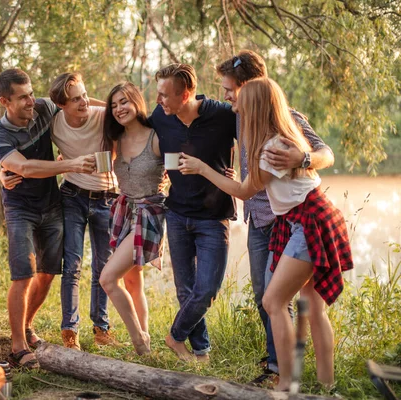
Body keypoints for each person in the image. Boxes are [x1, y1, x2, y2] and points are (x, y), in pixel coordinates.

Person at [179, 77, 353, 391]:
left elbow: (244, 191)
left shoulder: (272, 147)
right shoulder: (279, 137)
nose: (233, 103)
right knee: (312, 307)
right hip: (310, 215)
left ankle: (286, 384)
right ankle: (328, 387)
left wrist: (204, 169)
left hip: (308, 220)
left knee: (273, 300)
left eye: (239, 99)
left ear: (255, 106)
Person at [215, 50, 335, 384]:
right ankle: (291, 371)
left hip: (294, 220)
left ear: (251, 89)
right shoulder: (239, 117)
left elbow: (327, 154)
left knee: (278, 299)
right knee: (268, 298)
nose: (226, 98)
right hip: (269, 220)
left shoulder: (284, 121)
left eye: (230, 90)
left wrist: (303, 157)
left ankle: (286, 375)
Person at [1, 73, 121, 351]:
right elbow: (18, 161)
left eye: (84, 96)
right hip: (72, 196)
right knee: (72, 266)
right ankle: (70, 330)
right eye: (75, 99)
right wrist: (2, 173)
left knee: (104, 267)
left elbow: (127, 120)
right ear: (61, 105)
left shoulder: (102, 116)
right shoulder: (52, 120)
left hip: (106, 198)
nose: (83, 103)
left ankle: (101, 327)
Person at [0, 68, 96, 369]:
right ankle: (17, 346)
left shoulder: (45, 107)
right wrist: (70, 164)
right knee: (23, 273)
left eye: (31, 93)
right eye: (22, 97)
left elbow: (79, 102)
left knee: (47, 272)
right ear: (4, 101)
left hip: (51, 204)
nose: (31, 101)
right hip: (20, 208)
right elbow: (26, 168)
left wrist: (114, 110)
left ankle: (26, 325)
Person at [149, 63, 237, 362]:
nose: (158, 101)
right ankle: (202, 351)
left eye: (164, 95)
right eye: (158, 94)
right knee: (185, 291)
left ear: (185, 94)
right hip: (176, 215)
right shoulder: (162, 116)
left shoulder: (223, 115)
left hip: (213, 217)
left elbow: (257, 137)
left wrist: (243, 175)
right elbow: (122, 119)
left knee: (207, 290)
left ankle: (175, 336)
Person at [98, 82, 166, 355]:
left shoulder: (158, 137)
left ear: (137, 101)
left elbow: (180, 168)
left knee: (107, 279)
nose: (118, 109)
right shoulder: (115, 141)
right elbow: (100, 171)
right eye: (113, 105)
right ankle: (145, 341)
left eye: (124, 102)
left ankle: (139, 343)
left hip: (150, 214)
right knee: (132, 280)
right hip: (124, 212)